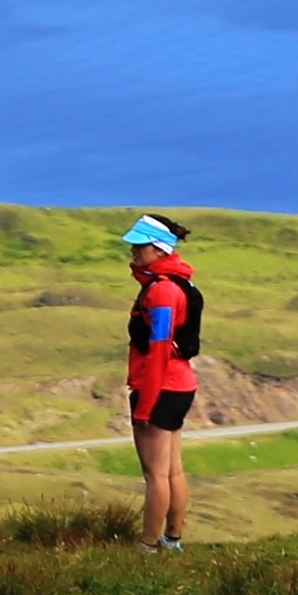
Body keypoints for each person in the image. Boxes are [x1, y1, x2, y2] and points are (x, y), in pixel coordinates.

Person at [121, 215, 201, 549]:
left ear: (158, 248)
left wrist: (144, 407)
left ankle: (148, 544)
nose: (133, 250)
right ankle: (173, 539)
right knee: (172, 470)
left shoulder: (163, 292)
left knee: (156, 474)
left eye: (140, 245)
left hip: (160, 387)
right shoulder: (180, 283)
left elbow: (157, 352)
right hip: (179, 385)